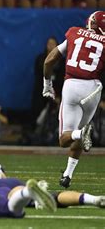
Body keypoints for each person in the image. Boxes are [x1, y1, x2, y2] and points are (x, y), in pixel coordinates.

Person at [0, 134, 105, 208]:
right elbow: (3, 178)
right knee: (53, 197)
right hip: (3, 184)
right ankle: (92, 199)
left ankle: (24, 195)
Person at [43, 11, 105, 188]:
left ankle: (80, 134)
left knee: (65, 138)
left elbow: (49, 60)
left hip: (72, 85)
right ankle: (67, 175)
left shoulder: (74, 32)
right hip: (93, 88)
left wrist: (47, 84)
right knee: (80, 132)